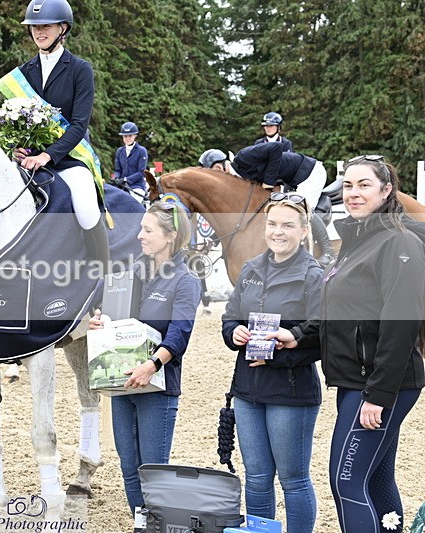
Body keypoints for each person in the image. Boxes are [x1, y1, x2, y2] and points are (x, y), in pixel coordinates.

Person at [268, 155, 425, 533]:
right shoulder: (358, 240)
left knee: (347, 482)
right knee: (375, 479)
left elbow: (401, 325)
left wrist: (378, 393)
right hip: (356, 380)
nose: (353, 194)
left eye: (364, 185)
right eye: (349, 186)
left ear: (387, 191)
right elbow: (339, 309)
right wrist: (300, 336)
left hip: (377, 384)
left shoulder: (398, 243)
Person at [89, 203, 202, 519]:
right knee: (128, 467)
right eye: (140, 227)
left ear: (170, 236)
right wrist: (99, 321)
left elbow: (180, 334)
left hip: (157, 386)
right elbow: (110, 312)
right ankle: (143, 526)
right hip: (123, 383)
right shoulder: (129, 272)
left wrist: (152, 364)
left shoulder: (185, 280)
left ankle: (160, 525)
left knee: (153, 471)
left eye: (147, 230)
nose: (139, 235)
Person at [221, 193, 323, 533]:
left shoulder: (314, 275)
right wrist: (233, 332)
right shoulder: (250, 269)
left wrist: (282, 348)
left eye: (288, 225)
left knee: (293, 479)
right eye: (273, 224)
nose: (278, 232)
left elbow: (323, 334)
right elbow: (230, 317)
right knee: (258, 476)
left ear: (304, 231)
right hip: (248, 390)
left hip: (290, 391)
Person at [13, 0, 109, 268]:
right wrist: (17, 149)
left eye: (46, 26)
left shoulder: (80, 69)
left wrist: (47, 155)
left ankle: (102, 275)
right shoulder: (23, 73)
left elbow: (79, 125)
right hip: (30, 160)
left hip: (70, 158)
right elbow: (20, 122)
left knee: (87, 209)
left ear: (63, 28)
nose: (38, 32)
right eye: (34, 27)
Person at [202, 143, 336, 266]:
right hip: (292, 180)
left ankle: (328, 252)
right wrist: (214, 239)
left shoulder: (243, 157)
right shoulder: (237, 181)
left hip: (310, 172)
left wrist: (268, 181)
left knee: (302, 209)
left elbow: (277, 147)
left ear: (218, 168)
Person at [112, 121, 149, 202]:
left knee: (133, 203)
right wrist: (115, 178)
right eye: (125, 136)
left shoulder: (141, 151)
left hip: (137, 186)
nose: (127, 138)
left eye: (130, 136)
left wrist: (125, 179)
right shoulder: (120, 151)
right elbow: (118, 170)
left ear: (135, 136)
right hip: (122, 186)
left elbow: (141, 172)